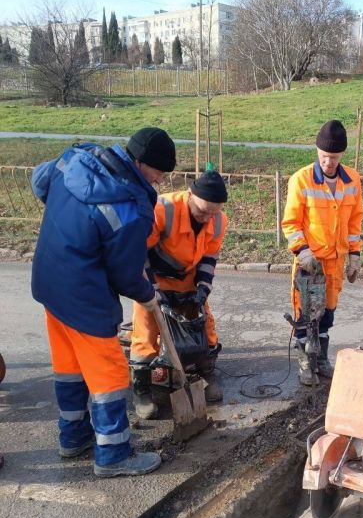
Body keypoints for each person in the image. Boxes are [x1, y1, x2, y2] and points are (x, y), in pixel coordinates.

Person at [31, 127, 177, 477]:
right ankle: (113, 455)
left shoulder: (80, 159)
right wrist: (147, 294)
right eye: (159, 172)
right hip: (83, 295)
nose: (160, 180)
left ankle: (73, 437)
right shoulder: (130, 207)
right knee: (109, 373)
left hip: (49, 280)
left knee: (70, 366)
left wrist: (72, 222)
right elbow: (125, 274)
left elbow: (39, 181)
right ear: (141, 164)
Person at [129, 169, 228, 417]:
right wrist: (152, 291)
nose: (206, 217)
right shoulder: (163, 209)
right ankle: (142, 389)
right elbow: (138, 252)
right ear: (190, 195)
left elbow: (209, 257)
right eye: (202, 210)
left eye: (213, 212)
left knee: (204, 325)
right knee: (146, 329)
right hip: (154, 277)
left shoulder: (217, 220)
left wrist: (203, 290)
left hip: (188, 278)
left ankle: (207, 373)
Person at [282, 120, 363, 385]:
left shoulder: (352, 180)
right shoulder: (302, 179)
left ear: (342, 155)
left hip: (336, 261)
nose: (329, 163)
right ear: (317, 152)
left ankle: (322, 360)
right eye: (324, 157)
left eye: (334, 158)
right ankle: (306, 363)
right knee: (306, 315)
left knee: (327, 313)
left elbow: (354, 222)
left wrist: (354, 254)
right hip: (309, 263)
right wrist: (303, 252)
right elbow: (291, 223)